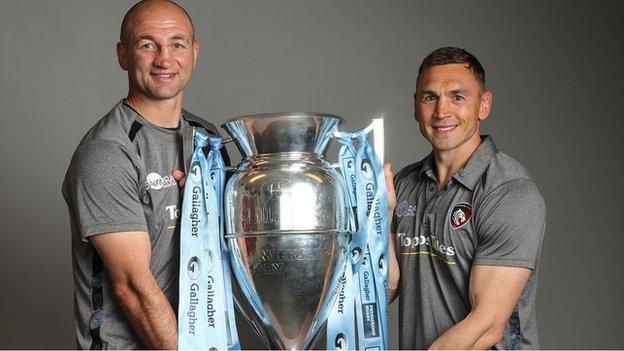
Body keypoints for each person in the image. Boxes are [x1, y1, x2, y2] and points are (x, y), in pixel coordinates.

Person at [62, 1, 225, 348]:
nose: (165, 59)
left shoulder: (207, 139)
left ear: (194, 52)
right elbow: (133, 286)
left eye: (177, 44)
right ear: (123, 55)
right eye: (147, 44)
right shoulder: (107, 151)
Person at [386, 47, 546, 349]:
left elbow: (486, 327)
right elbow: (387, 289)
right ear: (416, 107)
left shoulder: (509, 192)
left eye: (457, 97)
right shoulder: (405, 184)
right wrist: (379, 221)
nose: (441, 112)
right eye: (430, 97)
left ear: (483, 105)